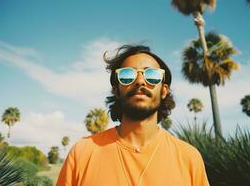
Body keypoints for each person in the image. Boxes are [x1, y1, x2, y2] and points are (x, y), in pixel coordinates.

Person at [56, 45, 210, 186]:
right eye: (128, 75)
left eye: (152, 75)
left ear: (163, 91)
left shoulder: (189, 158)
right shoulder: (82, 153)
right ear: (116, 91)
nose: (140, 81)